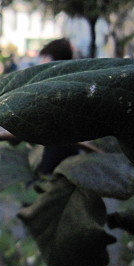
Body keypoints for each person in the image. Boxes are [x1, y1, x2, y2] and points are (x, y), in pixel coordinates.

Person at [37, 38, 79, 174]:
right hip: (66, 145)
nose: (41, 62)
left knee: (51, 176)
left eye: (45, 57)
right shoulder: (74, 80)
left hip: (59, 145)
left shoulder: (57, 84)